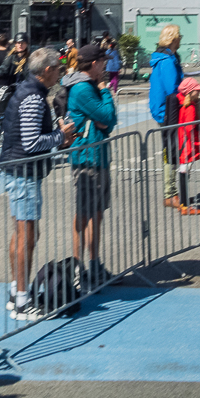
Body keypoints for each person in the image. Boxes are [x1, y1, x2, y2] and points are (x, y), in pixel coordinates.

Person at [0, 48, 77, 319]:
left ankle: (16, 292)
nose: (60, 72)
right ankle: (21, 300)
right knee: (26, 237)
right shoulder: (33, 96)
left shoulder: (28, 90)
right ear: (46, 71)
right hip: (23, 172)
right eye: (57, 68)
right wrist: (59, 136)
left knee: (23, 235)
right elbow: (31, 143)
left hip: (17, 169)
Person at [65, 42, 118, 287]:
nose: (106, 65)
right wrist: (105, 90)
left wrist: (103, 117)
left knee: (95, 214)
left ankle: (94, 265)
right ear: (94, 63)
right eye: (103, 62)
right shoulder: (83, 89)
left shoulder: (89, 87)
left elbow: (110, 121)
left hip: (97, 157)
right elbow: (107, 117)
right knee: (85, 215)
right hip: (87, 159)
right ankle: (79, 268)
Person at [148, 24, 185, 207]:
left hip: (161, 108)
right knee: (171, 151)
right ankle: (170, 193)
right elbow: (173, 88)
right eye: (179, 37)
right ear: (173, 39)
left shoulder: (161, 58)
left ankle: (170, 191)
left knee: (168, 150)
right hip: (168, 109)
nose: (181, 40)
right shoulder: (168, 60)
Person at [174, 77, 200, 215]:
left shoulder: (185, 104)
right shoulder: (190, 108)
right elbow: (190, 126)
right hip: (187, 142)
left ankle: (184, 202)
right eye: (197, 91)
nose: (199, 93)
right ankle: (184, 205)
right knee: (184, 171)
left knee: (184, 171)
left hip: (185, 141)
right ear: (190, 92)